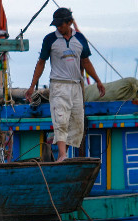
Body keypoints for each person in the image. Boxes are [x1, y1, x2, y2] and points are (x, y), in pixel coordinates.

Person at [25, 7, 105, 162]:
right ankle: (62, 154)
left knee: (76, 122)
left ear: (69, 23)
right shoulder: (50, 40)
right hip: (59, 84)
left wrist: (98, 81)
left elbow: (86, 61)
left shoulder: (80, 39)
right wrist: (32, 86)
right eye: (56, 25)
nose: (58, 28)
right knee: (60, 119)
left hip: (76, 85)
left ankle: (64, 153)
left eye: (61, 25)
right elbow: (41, 62)